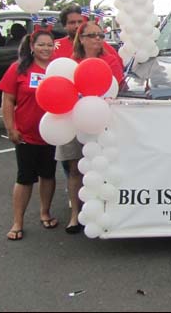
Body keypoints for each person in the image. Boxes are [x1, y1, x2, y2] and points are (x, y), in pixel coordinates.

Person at [56, 21, 124, 234]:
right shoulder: (71, 63)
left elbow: (117, 89)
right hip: (76, 122)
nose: (98, 39)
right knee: (75, 168)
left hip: (104, 123)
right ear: (81, 38)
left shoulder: (111, 60)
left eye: (101, 35)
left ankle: (106, 211)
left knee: (104, 169)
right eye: (92, 35)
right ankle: (76, 214)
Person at [0, 30, 58, 240]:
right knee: (24, 178)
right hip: (25, 135)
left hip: (51, 135)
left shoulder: (57, 69)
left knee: (48, 175)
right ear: (32, 46)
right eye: (41, 45)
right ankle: (17, 222)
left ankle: (45, 213)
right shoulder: (18, 68)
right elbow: (8, 100)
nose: (46, 49)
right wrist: (10, 127)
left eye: (50, 45)